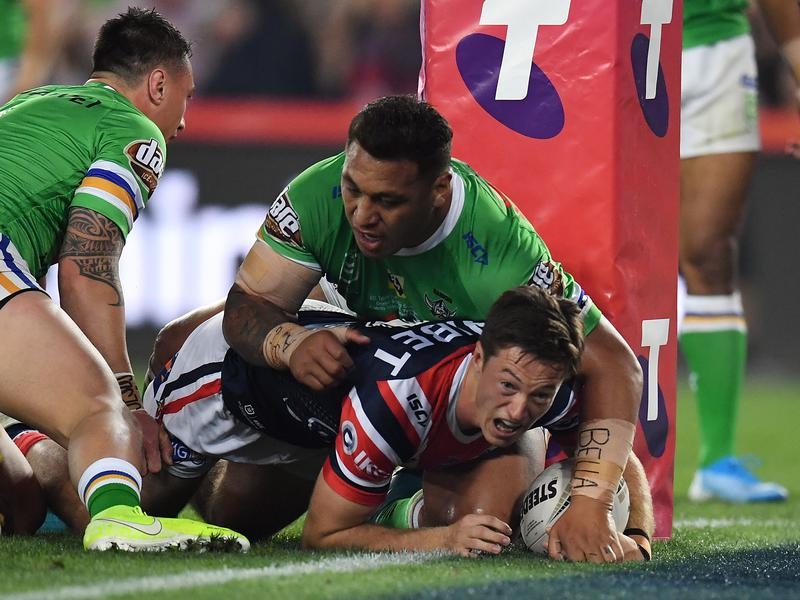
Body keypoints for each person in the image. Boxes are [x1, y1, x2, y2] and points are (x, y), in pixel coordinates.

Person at [214, 94, 643, 559]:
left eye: (388, 200)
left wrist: (595, 506)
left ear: (439, 189)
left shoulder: (501, 253)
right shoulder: (316, 196)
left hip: (455, 401)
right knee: (232, 517)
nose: (361, 214)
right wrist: (291, 343)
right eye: (353, 188)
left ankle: (399, 508)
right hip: (357, 370)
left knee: (482, 523)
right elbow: (247, 305)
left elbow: (614, 365)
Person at [142, 287, 654, 560]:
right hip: (228, 385)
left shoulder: (534, 377)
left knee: (240, 527)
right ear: (478, 358)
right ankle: (89, 445)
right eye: (507, 387)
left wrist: (634, 535)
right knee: (150, 512)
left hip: (323, 427)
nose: (519, 411)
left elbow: (609, 441)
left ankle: (375, 486)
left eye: (538, 397)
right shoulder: (396, 399)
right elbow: (322, 537)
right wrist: (443, 540)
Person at [0, 7, 247, 551]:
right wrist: (126, 399)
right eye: (186, 97)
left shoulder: (29, 102)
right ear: (158, 84)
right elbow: (86, 268)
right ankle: (120, 519)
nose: (183, 123)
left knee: (20, 501)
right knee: (97, 406)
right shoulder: (135, 131)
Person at [679, 0, 800, 503]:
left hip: (715, 49)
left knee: (710, 253)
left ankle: (716, 460)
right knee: (599, 246)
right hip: (614, 49)